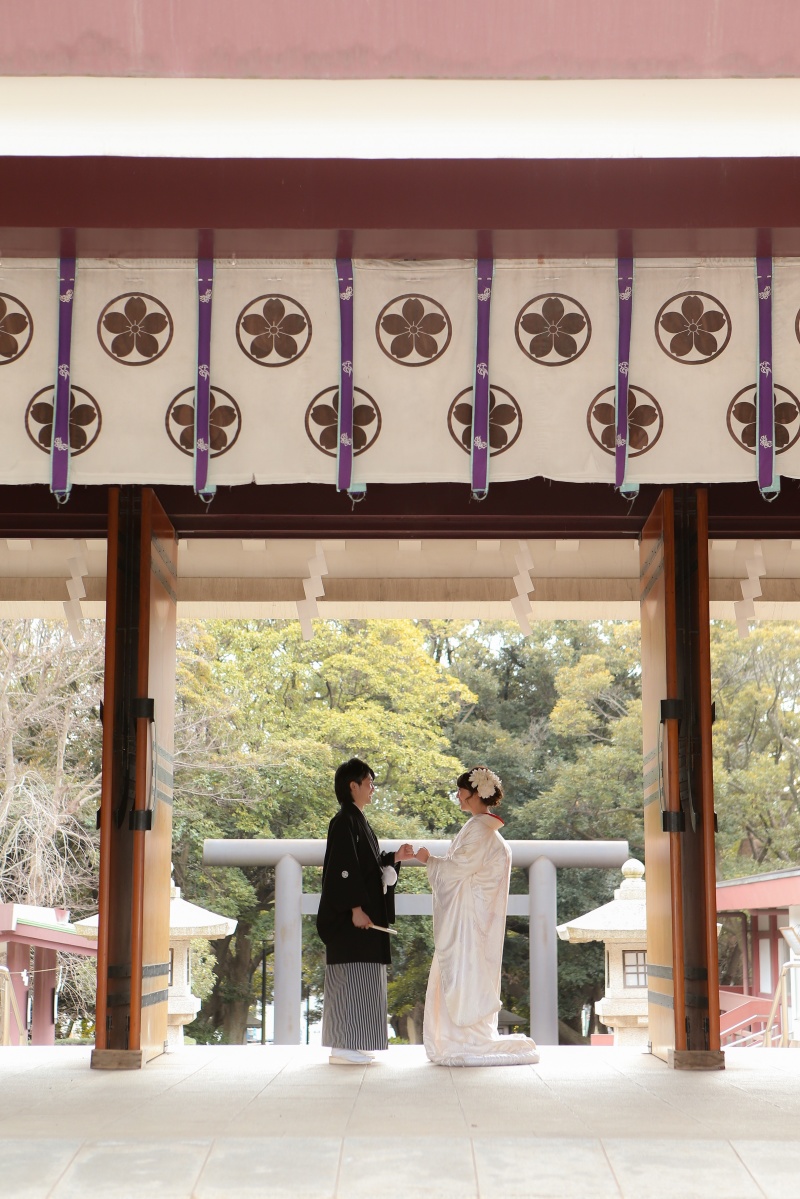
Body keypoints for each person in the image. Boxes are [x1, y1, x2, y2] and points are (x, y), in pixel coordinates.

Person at [416, 766, 540, 1067]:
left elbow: (454, 870)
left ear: (474, 795)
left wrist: (427, 860)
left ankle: (464, 1038)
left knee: (462, 976)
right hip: (474, 920)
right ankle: (462, 1036)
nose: (458, 796)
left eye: (461, 791)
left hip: (467, 923)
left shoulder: (478, 829)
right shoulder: (483, 829)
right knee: (464, 975)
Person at [317, 757, 414, 1065]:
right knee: (350, 979)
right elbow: (342, 870)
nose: (373, 788)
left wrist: (393, 857)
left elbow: (367, 865)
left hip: (362, 922)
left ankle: (354, 1043)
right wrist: (356, 908)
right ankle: (342, 1046)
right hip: (351, 921)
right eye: (369, 783)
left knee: (364, 979)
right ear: (353, 786)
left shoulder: (357, 820)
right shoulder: (344, 820)